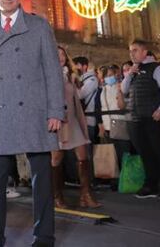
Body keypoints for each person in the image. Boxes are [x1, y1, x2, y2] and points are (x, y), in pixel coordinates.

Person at [0, 0, 64, 247]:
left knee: (42, 178)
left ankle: (44, 237)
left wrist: (55, 110)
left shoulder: (38, 26)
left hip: (34, 110)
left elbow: (52, 71)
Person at [122, 40, 160, 200]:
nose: (132, 53)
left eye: (135, 50)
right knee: (145, 152)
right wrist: (130, 73)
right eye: (131, 51)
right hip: (135, 118)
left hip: (152, 116)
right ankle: (150, 183)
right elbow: (124, 90)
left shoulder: (156, 68)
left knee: (159, 151)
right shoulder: (133, 70)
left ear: (145, 52)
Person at [51, 46, 100, 209]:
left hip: (72, 120)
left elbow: (77, 98)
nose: (61, 57)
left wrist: (73, 80)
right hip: (58, 121)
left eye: (63, 54)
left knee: (83, 156)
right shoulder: (48, 74)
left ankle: (85, 195)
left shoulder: (70, 75)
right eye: (57, 54)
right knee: (56, 158)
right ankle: (57, 196)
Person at [99, 65, 131, 179]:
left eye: (112, 75)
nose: (110, 77)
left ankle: (126, 176)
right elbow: (102, 108)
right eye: (108, 75)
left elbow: (121, 106)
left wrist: (119, 92)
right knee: (112, 154)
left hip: (120, 123)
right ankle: (114, 178)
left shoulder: (121, 87)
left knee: (123, 152)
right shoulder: (103, 90)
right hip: (108, 125)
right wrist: (101, 125)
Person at [74, 57, 100, 143]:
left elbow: (80, 95)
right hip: (80, 118)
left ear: (85, 66)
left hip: (89, 120)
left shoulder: (92, 80)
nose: (75, 68)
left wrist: (72, 84)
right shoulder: (81, 79)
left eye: (77, 65)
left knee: (88, 148)